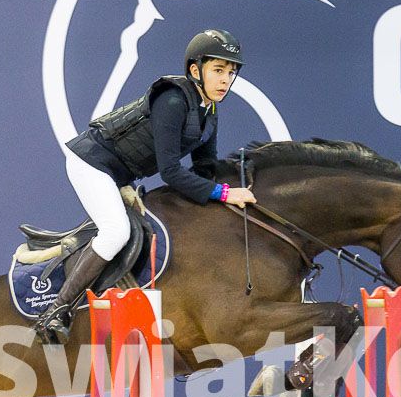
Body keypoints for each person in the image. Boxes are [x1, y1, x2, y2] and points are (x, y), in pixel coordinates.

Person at [35, 29, 257, 343]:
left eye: (230, 73)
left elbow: (205, 168)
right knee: (116, 232)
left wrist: (235, 180)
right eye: (218, 70)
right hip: (92, 162)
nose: (225, 80)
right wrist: (224, 193)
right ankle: (55, 312)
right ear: (196, 71)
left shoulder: (209, 112)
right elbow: (171, 172)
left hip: (119, 173)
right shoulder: (173, 100)